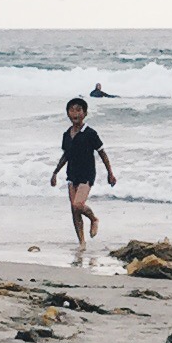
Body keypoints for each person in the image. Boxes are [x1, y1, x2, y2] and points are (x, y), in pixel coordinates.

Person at [51, 97, 116, 249]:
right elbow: (66, 156)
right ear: (68, 113)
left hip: (87, 173)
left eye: (79, 110)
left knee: (78, 204)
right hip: (72, 173)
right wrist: (55, 173)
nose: (75, 113)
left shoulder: (90, 133)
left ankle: (93, 219)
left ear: (85, 113)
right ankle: (82, 242)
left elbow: (102, 153)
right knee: (74, 210)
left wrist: (110, 173)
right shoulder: (66, 134)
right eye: (72, 110)